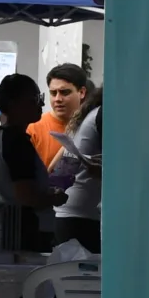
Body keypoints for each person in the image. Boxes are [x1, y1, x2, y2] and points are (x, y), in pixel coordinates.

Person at [0, 73, 60, 255]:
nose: (41, 104)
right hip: (24, 234)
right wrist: (55, 198)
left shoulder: (1, 136)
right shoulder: (17, 142)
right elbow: (26, 197)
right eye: (34, 99)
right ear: (14, 104)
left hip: (7, 231)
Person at [51, 92, 101, 253]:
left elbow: (57, 168)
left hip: (68, 211)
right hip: (83, 215)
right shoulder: (103, 116)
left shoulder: (88, 118)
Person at [28, 63, 89, 167]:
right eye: (53, 93)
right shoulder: (33, 129)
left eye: (64, 92)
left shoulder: (90, 125)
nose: (58, 99)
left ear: (82, 92)